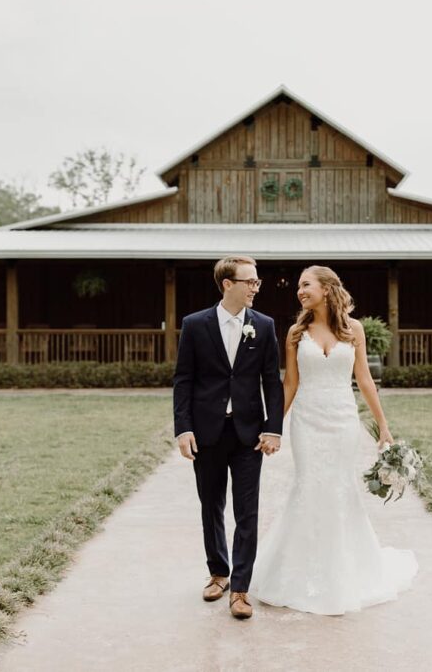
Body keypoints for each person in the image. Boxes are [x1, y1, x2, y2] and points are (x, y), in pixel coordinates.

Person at [251, 265, 417, 615]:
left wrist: (383, 425)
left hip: (342, 421)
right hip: (307, 421)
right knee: (308, 486)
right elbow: (290, 384)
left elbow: (364, 380)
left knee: (340, 488)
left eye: (306, 284)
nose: (299, 291)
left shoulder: (354, 329)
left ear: (326, 289)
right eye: (299, 286)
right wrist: (273, 427)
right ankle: (298, 573)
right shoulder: (296, 332)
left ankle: (343, 572)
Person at [172, 255, 284, 620]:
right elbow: (184, 379)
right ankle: (218, 573)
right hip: (207, 432)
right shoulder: (195, 324)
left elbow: (272, 381)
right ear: (227, 284)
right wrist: (183, 428)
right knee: (211, 505)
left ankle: (240, 589)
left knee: (247, 511)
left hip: (249, 434)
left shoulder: (264, 325)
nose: (255, 288)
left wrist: (273, 427)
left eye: (257, 282)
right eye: (250, 281)